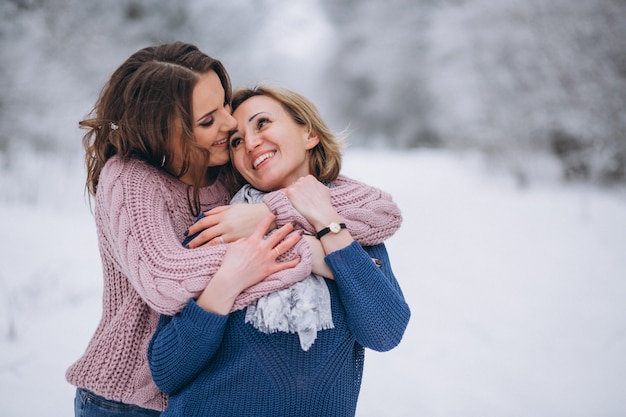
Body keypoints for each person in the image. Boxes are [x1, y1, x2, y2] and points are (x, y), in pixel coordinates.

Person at [67, 42, 403, 417]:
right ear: (168, 133)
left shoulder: (234, 187)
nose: (230, 129)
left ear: (309, 133)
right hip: (123, 400)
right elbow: (164, 282)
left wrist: (269, 215)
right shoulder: (135, 181)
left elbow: (380, 210)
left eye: (225, 106)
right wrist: (314, 254)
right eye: (210, 121)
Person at [148, 86, 411, 417]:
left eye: (262, 123)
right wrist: (228, 281)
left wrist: (326, 222)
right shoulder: (220, 226)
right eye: (236, 141)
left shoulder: (351, 229)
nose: (251, 143)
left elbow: (385, 331)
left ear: (309, 133)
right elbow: (167, 372)